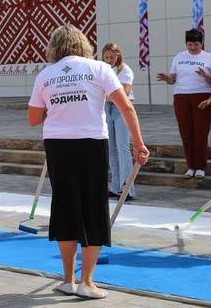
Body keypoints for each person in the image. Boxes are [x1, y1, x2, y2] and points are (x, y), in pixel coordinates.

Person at [28, 25, 149, 300]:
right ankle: (87, 282)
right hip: (91, 142)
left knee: (65, 205)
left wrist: (58, 105)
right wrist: (139, 144)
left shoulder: (45, 75)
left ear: (54, 47)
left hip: (58, 144)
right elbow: (126, 106)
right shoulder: (100, 69)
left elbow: (34, 118)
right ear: (84, 45)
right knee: (93, 206)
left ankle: (68, 279)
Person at [157, 29, 211, 179]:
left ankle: (200, 167)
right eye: (190, 44)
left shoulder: (208, 57)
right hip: (181, 96)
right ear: (186, 43)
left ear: (202, 43)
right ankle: (191, 166)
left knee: (200, 132)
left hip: (202, 96)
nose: (193, 47)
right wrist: (168, 78)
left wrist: (206, 75)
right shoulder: (179, 57)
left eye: (196, 44)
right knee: (186, 132)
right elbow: (173, 78)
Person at [101, 43, 136, 200]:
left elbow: (124, 92)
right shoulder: (102, 70)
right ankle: (115, 186)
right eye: (106, 57)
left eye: (112, 57)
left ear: (118, 56)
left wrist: (103, 94)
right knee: (111, 149)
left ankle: (127, 188)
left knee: (122, 148)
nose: (109, 60)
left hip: (121, 109)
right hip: (107, 109)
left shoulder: (125, 70)